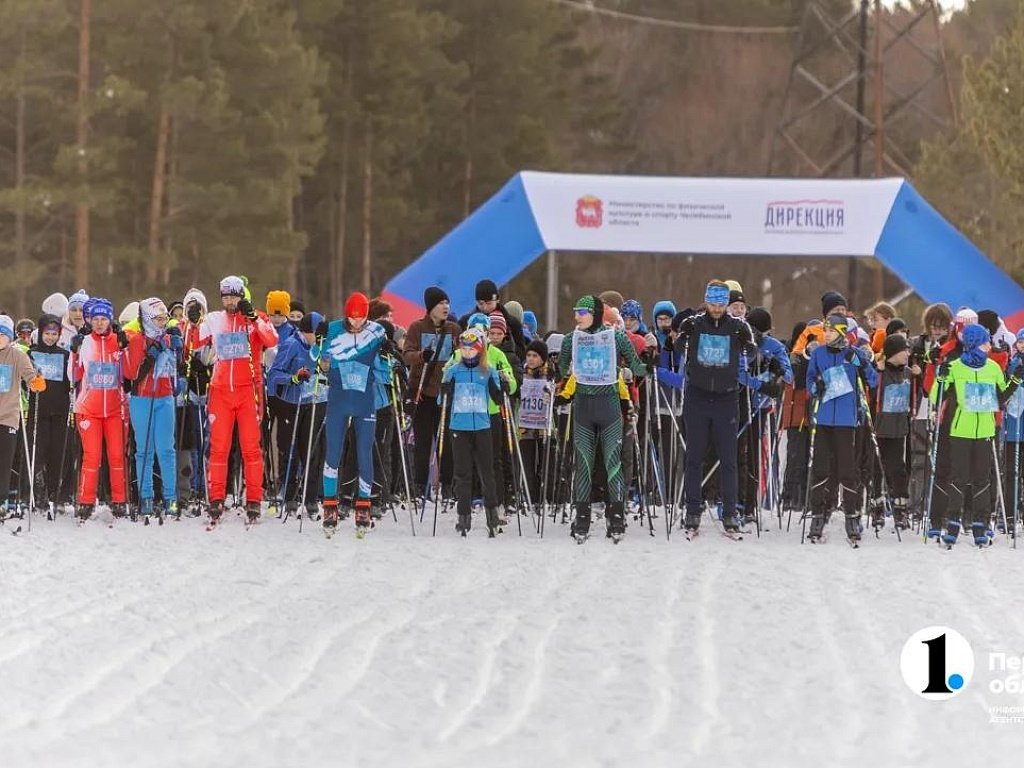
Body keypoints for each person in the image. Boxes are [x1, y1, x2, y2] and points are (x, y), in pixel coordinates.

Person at [558, 294, 649, 542]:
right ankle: (583, 516)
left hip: (609, 407)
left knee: (613, 464)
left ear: (595, 314)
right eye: (576, 312)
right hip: (584, 408)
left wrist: (649, 363)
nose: (577, 317)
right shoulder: (571, 339)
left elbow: (637, 366)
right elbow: (563, 368)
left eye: (582, 313)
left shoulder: (616, 336)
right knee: (584, 465)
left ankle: (616, 515)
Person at [675, 281, 756, 535]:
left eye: (721, 304)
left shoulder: (737, 326)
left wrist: (748, 349)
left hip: (726, 398)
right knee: (694, 457)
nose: (717, 308)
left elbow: (752, 351)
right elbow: (676, 348)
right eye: (713, 303)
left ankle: (730, 512)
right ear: (706, 301)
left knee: (729, 459)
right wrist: (681, 336)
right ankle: (692, 509)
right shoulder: (695, 323)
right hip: (697, 397)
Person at [196, 275, 278, 525]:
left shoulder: (257, 318)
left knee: (251, 448)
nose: (230, 301)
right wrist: (190, 321)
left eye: (234, 296)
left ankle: (253, 498)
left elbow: (272, 340)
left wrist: (253, 318)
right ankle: (217, 498)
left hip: (248, 390)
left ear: (242, 296)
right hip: (220, 390)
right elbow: (194, 343)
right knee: (219, 448)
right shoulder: (214, 319)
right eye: (226, 297)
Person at [930, 324, 1018, 547]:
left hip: (986, 431)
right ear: (974, 343)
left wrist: (1016, 380)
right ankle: (953, 523)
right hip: (960, 430)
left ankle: (981, 523)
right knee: (958, 477)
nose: (990, 345)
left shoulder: (992, 368)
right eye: (986, 341)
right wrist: (940, 377)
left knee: (982, 479)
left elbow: (1001, 398)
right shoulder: (955, 366)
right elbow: (935, 397)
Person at [318, 292, 388, 535]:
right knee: (334, 451)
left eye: (361, 319)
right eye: (352, 319)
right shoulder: (334, 329)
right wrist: (322, 359)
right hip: (338, 398)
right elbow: (317, 358)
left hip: (364, 399)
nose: (356, 324)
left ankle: (363, 505)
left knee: (364, 451)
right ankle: (329, 504)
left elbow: (386, 366)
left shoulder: (377, 332)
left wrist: (390, 357)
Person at [805, 313, 878, 543]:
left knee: (848, 470)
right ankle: (818, 514)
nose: (825, 334)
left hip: (847, 421)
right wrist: (815, 386)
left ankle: (852, 514)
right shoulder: (819, 354)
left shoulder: (852, 354)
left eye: (829, 331)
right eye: (824, 330)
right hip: (825, 418)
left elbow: (872, 380)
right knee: (820, 467)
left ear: (841, 332)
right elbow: (809, 381)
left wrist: (862, 362)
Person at [442, 327, 508, 536]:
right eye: (464, 348)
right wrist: (445, 390)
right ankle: (463, 516)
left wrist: (504, 388)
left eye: (472, 348)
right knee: (462, 473)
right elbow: (442, 401)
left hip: (482, 426)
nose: (468, 352)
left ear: (480, 349)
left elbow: (497, 398)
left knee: (487, 472)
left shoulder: (487, 370)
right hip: (459, 427)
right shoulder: (454, 370)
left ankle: (492, 515)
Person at [69, 298, 129, 521]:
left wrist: (126, 348)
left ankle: (119, 500)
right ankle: (85, 501)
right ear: (90, 321)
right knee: (92, 456)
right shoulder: (84, 342)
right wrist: (74, 353)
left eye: (104, 319)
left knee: (116, 456)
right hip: (89, 409)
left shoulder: (118, 341)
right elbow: (73, 376)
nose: (100, 323)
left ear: (110, 320)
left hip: (115, 409)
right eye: (96, 319)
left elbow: (129, 373)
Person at [123, 298, 183, 519]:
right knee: (144, 450)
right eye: (158, 319)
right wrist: (149, 355)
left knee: (166, 450)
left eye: (164, 318)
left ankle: (171, 498)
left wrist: (179, 351)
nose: (162, 322)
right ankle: (145, 496)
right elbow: (130, 373)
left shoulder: (169, 338)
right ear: (147, 319)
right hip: (142, 399)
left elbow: (177, 368)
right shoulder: (137, 340)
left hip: (165, 398)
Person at [267, 310, 326, 518]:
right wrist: (293, 378)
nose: (319, 339)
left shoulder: (318, 347)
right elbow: (274, 375)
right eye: (316, 334)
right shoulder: (292, 345)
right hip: (291, 404)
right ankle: (290, 496)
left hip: (313, 402)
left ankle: (310, 499)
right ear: (307, 332)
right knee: (290, 451)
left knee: (311, 451)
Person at [403, 287, 460, 498]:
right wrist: (420, 356)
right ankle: (420, 486)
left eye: (447, 303)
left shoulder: (453, 330)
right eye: (440, 304)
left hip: (445, 393)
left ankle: (447, 485)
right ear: (430, 308)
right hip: (423, 392)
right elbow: (407, 353)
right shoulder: (417, 328)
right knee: (423, 442)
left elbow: (461, 354)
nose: (445, 307)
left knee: (446, 441)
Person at [0, 315, 46, 517]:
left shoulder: (17, 356)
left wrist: (36, 381)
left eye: (3, 335)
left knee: (4, 461)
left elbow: (30, 376)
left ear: (10, 337)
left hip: (8, 416)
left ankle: (2, 500)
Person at [27, 313, 71, 513]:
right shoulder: (32, 353)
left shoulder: (65, 355)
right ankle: (37, 490)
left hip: (59, 410)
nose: (51, 337)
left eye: (54, 333)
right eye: (47, 333)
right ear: (41, 332)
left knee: (57, 450)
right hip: (39, 410)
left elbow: (71, 379)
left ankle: (56, 491)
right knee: (39, 450)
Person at [870, 332, 914, 531]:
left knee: (899, 469)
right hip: (880, 428)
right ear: (892, 353)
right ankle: (877, 505)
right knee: (878, 468)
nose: (907, 354)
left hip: (898, 429)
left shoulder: (907, 372)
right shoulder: (880, 371)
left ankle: (900, 507)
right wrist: (875, 370)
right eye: (903, 350)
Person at [458, 280, 526, 361]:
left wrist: (504, 345)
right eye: (481, 303)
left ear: (497, 300)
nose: (485, 307)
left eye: (489, 303)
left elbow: (521, 354)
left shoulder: (512, 323)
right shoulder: (465, 322)